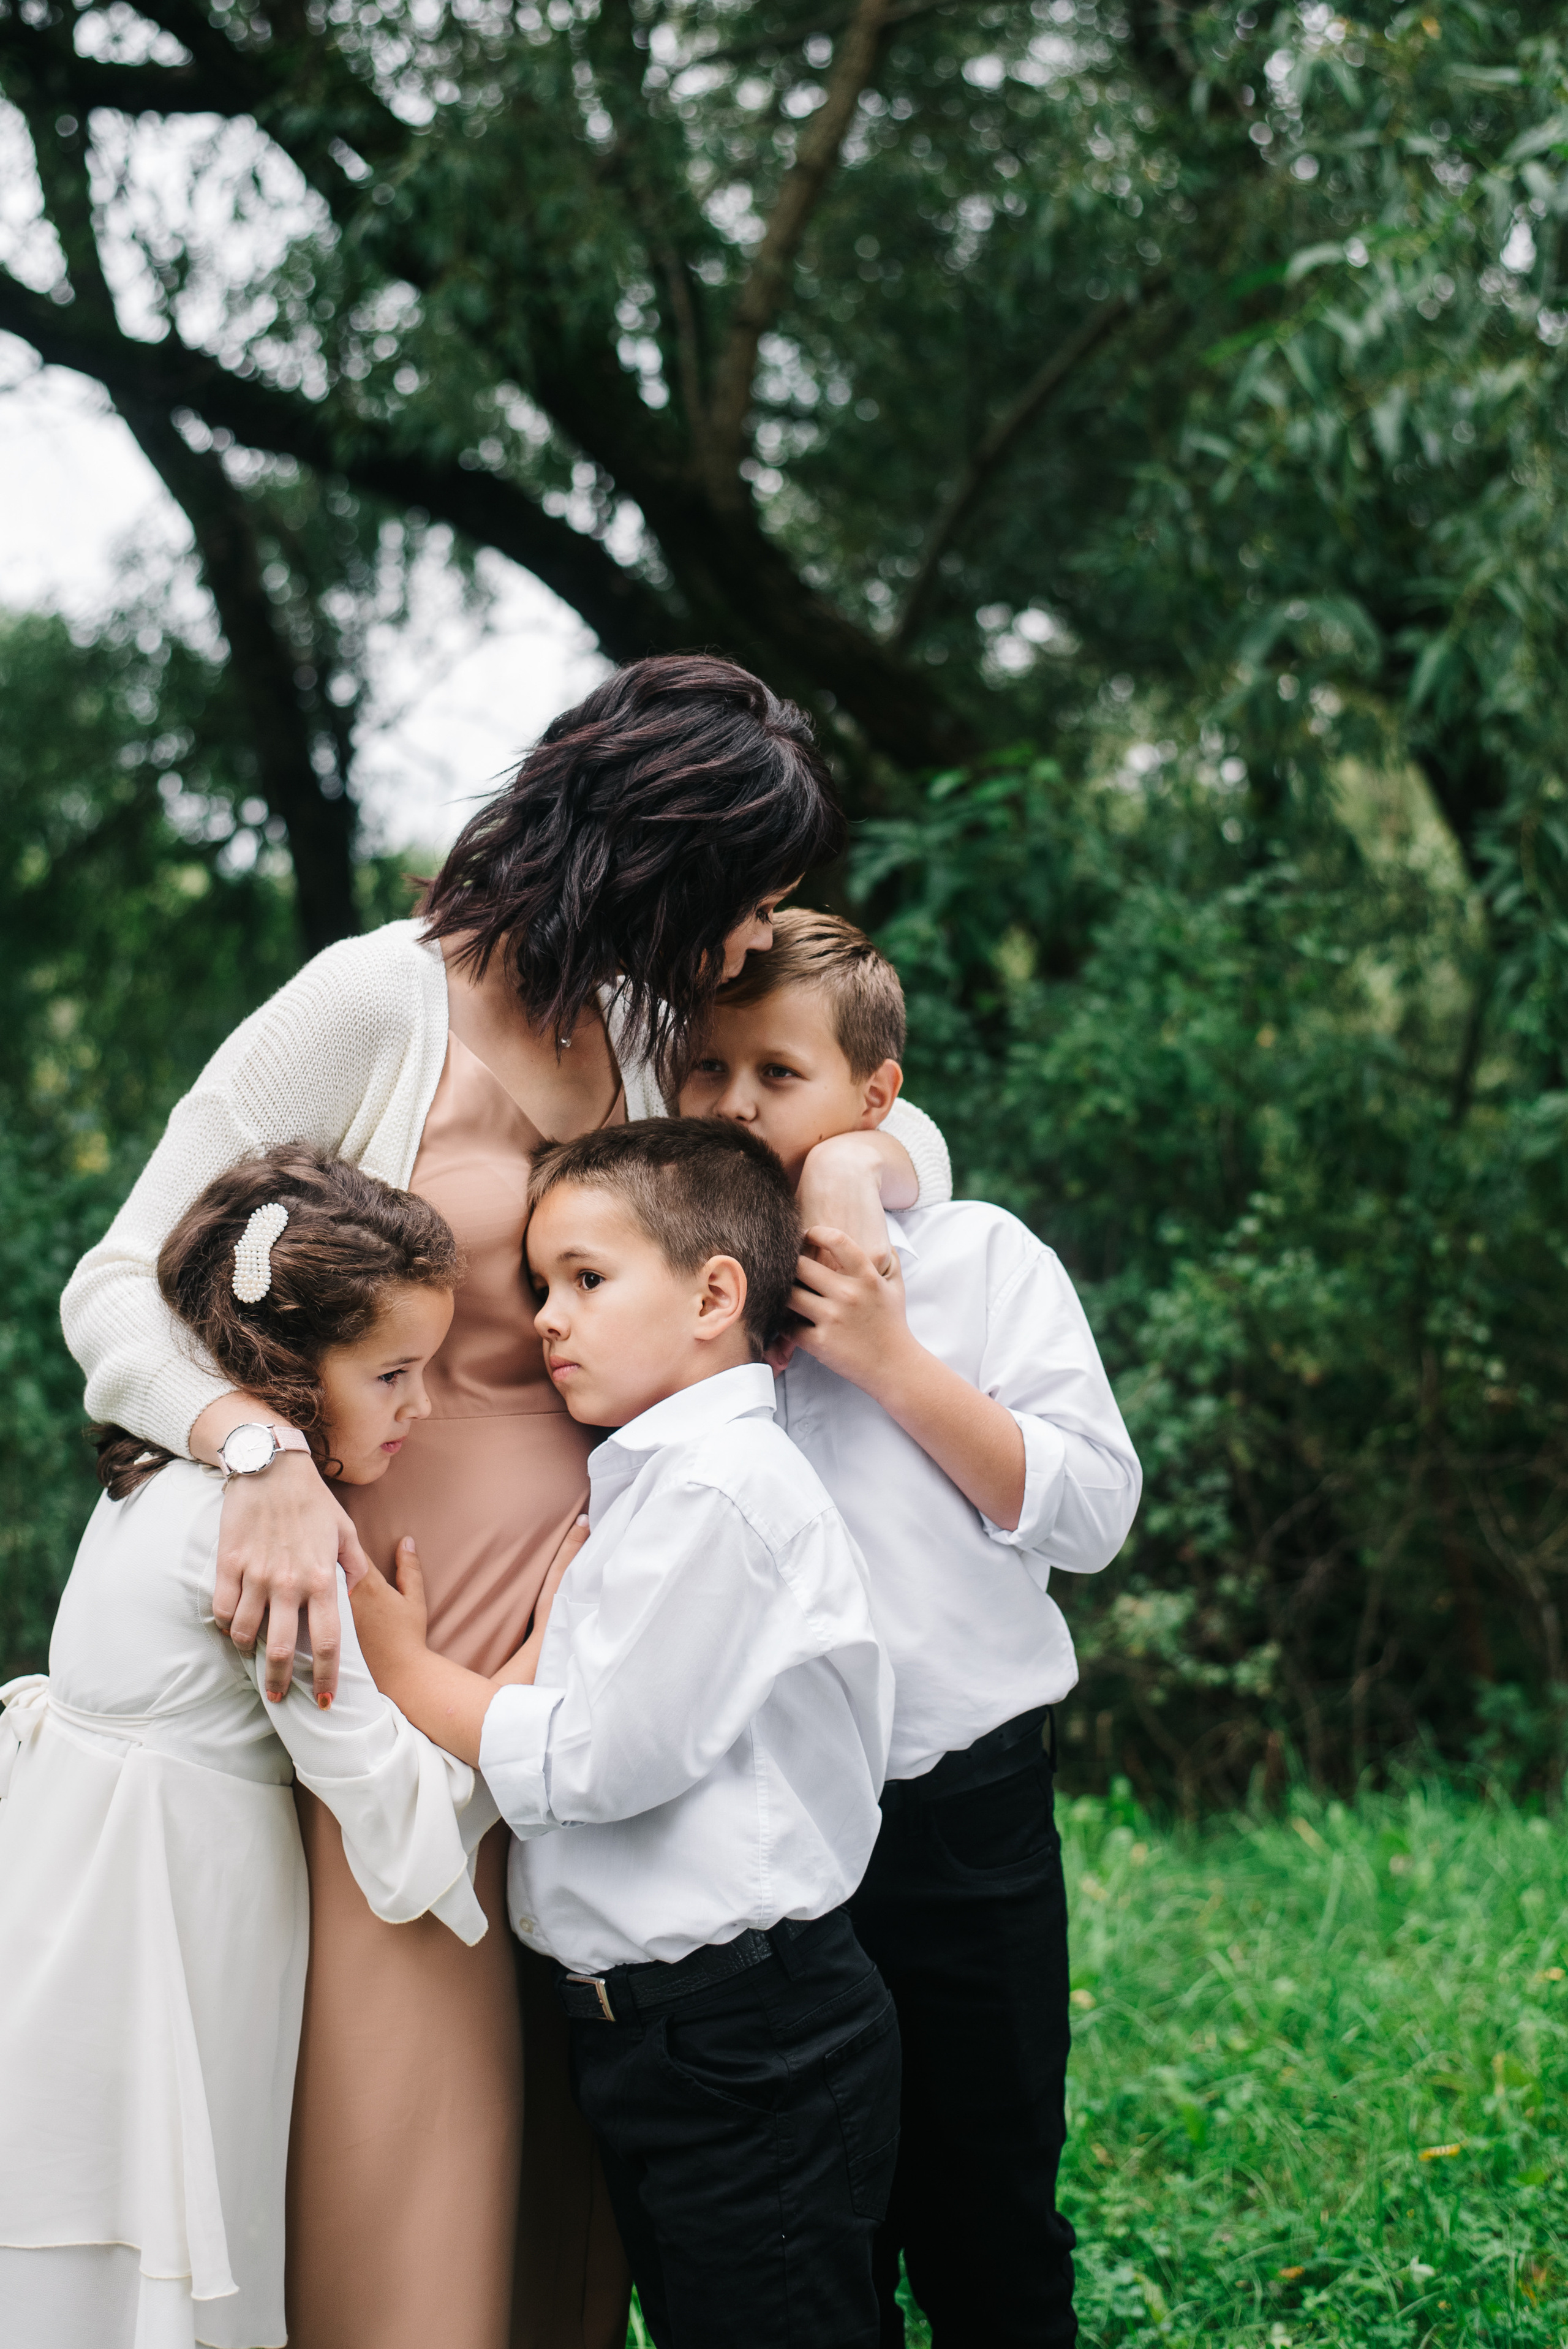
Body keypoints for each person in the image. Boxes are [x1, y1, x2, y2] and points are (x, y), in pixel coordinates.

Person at [58, 657, 951, 2349]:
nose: (754, 941)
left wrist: (851, 1165)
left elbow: (850, 1115)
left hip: (600, 1667)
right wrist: (251, 1447)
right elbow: (114, 1287)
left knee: (584, 2161)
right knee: (429, 2181)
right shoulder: (371, 1003)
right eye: (741, 898)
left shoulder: (636, 1021)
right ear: (650, 856)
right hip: (406, 1683)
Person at [351, 1120, 901, 2349]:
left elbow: (598, 1761)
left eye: (586, 1280)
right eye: (540, 1286)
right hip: (665, 2038)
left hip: (749, 2037)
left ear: (714, 1294)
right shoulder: (650, 1486)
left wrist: (402, 1669)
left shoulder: (720, 1490)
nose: (547, 1316)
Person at [679, 910, 1143, 2348]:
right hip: (767, 1851)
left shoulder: (979, 1259)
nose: (739, 1105)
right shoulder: (672, 1300)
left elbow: (1091, 1510)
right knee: (823, 2223)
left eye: (778, 1073)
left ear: (875, 1101)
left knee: (988, 2210)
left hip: (961, 1821)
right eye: (707, 1072)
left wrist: (888, 1359)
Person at [0, 1147, 502, 2349]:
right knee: (160, 2231)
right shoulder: (266, 1545)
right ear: (283, 1360)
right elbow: (394, 1817)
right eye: (392, 1374)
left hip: (69, 1897)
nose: (419, 1408)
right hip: (172, 1929)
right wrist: (518, 1673)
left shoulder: (153, 1479)